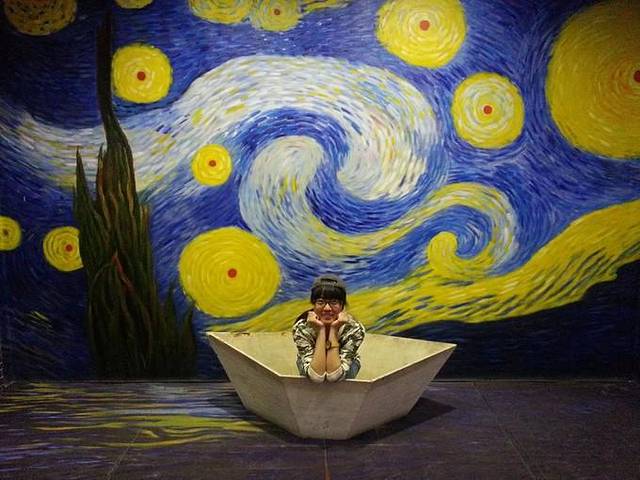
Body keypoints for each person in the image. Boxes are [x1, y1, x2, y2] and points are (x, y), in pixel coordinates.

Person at [292, 274, 365, 382]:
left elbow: (334, 376)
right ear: (314, 305)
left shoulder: (354, 329)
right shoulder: (302, 328)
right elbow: (316, 376)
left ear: (342, 306)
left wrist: (333, 330)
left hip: (342, 365)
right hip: (312, 363)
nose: (327, 308)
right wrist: (321, 330)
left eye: (334, 302)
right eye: (320, 302)